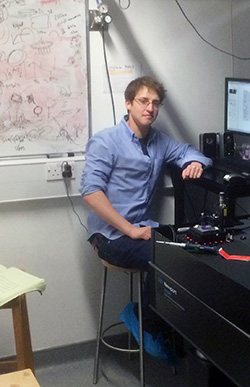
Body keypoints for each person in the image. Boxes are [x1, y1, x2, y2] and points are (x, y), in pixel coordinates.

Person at [80, 76, 212, 360]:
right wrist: (130, 230)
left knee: (194, 252)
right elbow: (90, 192)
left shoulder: (159, 142)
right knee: (166, 260)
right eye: (143, 101)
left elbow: (192, 153)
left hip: (143, 229)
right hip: (109, 236)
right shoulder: (106, 141)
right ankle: (145, 319)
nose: (150, 108)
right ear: (128, 104)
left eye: (155, 103)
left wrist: (194, 163)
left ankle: (177, 331)